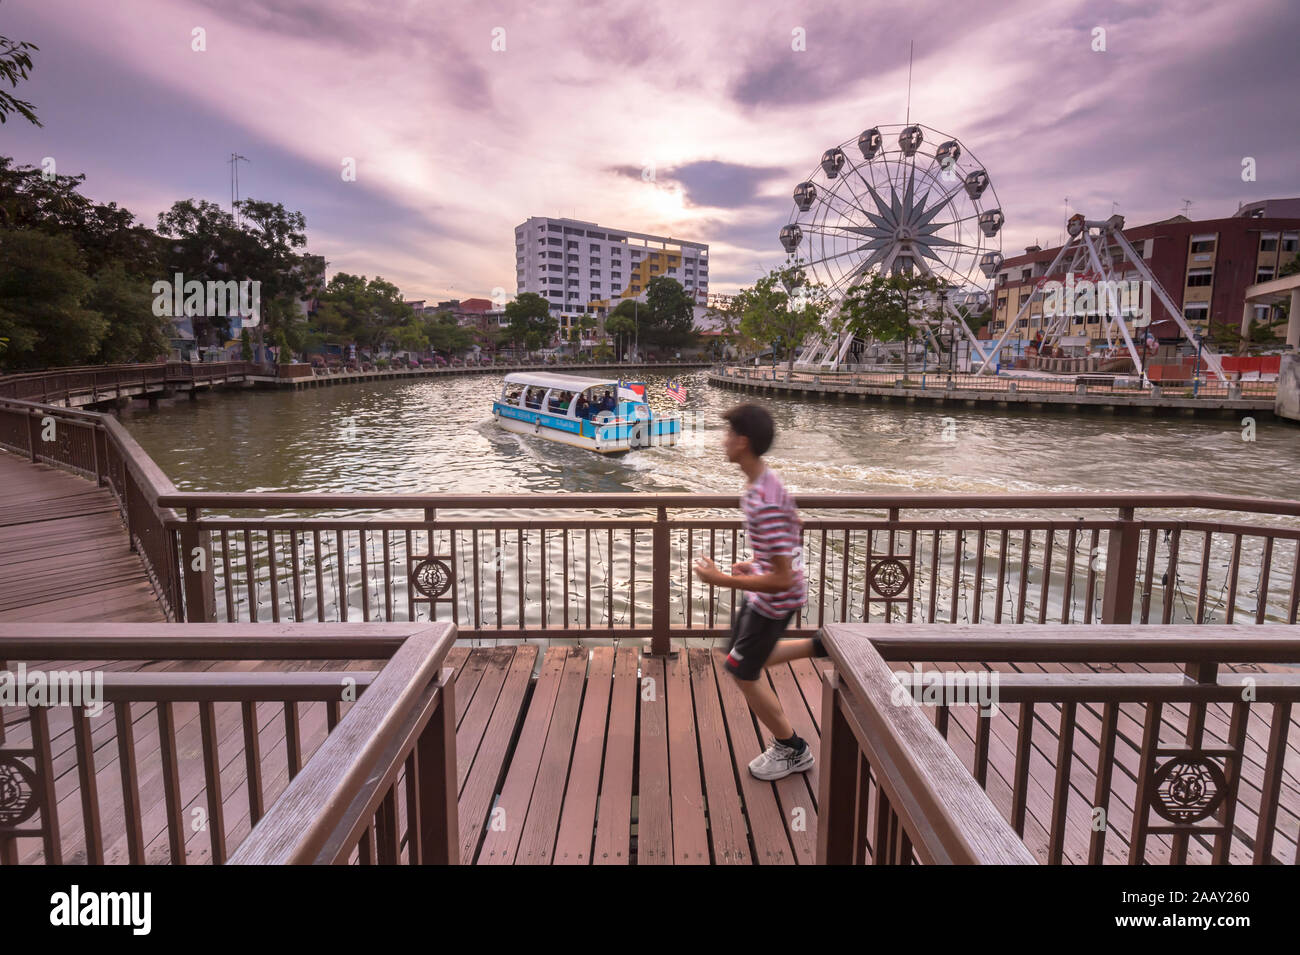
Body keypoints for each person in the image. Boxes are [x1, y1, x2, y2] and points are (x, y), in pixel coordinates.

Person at [692, 403, 821, 781]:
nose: (724, 441)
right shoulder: (764, 484)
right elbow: (790, 536)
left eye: (729, 434)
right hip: (766, 596)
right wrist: (757, 563)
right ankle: (817, 647)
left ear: (743, 442)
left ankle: (792, 748)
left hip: (774, 602)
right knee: (738, 657)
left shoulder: (762, 500)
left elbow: (782, 579)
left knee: (741, 670)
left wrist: (722, 580)